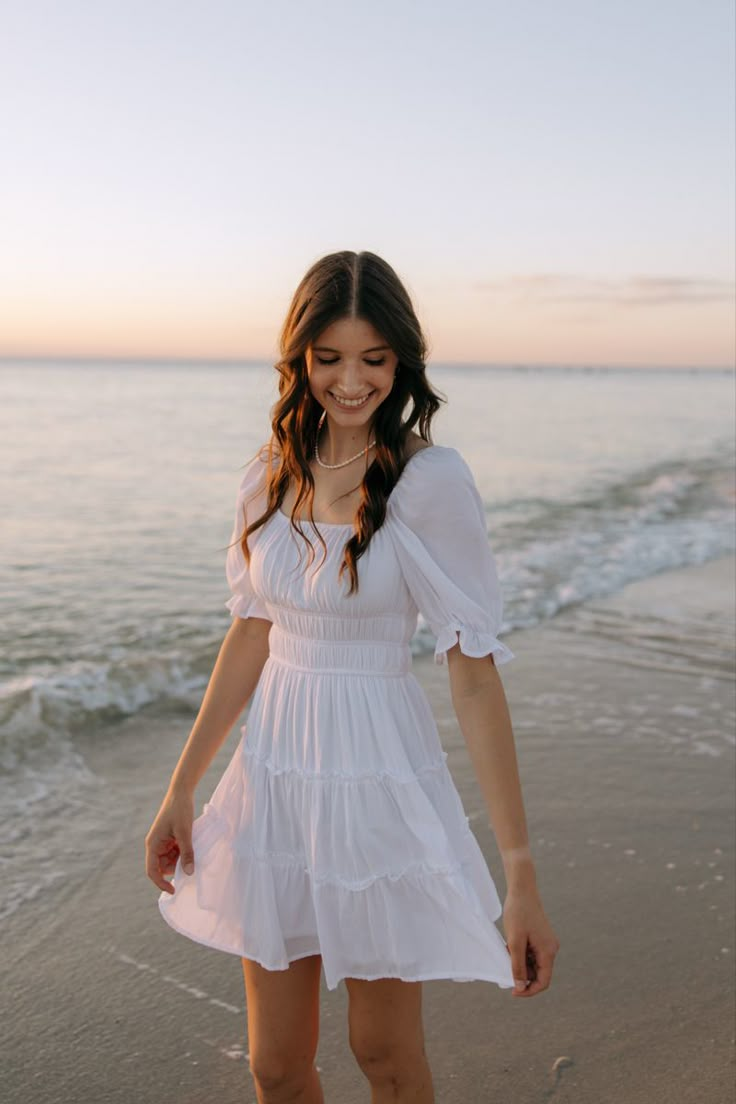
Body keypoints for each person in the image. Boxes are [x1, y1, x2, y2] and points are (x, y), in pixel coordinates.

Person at [145, 250, 559, 1103]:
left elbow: (472, 672)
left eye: (373, 358)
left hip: (374, 777)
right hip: (277, 778)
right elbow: (252, 634)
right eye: (329, 357)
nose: (351, 380)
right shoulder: (266, 475)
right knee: (274, 1064)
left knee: (383, 1054)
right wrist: (182, 789)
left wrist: (519, 873)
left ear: (401, 359)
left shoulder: (427, 481)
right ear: (298, 357)